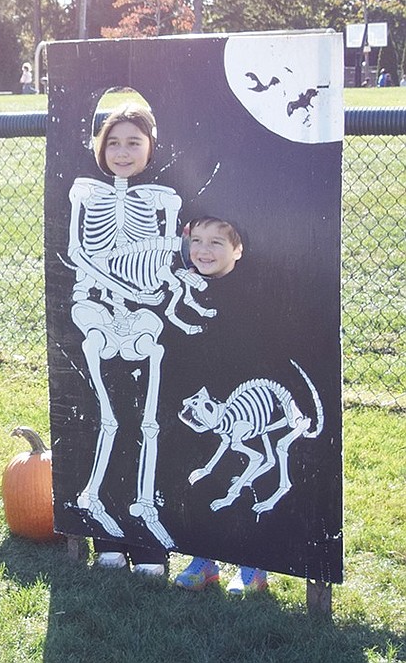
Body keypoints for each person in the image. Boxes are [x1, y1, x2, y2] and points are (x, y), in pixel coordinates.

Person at [69, 102, 190, 577]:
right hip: (95, 302)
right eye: (113, 142)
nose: (122, 151)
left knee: (147, 411)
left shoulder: (163, 198)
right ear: (100, 147)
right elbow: (79, 249)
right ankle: (105, 530)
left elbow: (162, 258)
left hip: (143, 309)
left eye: (133, 142)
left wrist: (147, 291)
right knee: (105, 412)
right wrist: (122, 286)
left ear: (151, 148)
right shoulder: (84, 191)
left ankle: (147, 528)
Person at [171, 216, 269, 595]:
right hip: (200, 401)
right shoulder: (187, 284)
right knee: (197, 473)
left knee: (243, 472)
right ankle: (203, 559)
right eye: (197, 241)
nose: (203, 251)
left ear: (239, 249)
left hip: (239, 402)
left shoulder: (254, 293)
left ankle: (253, 565)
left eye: (217, 243)